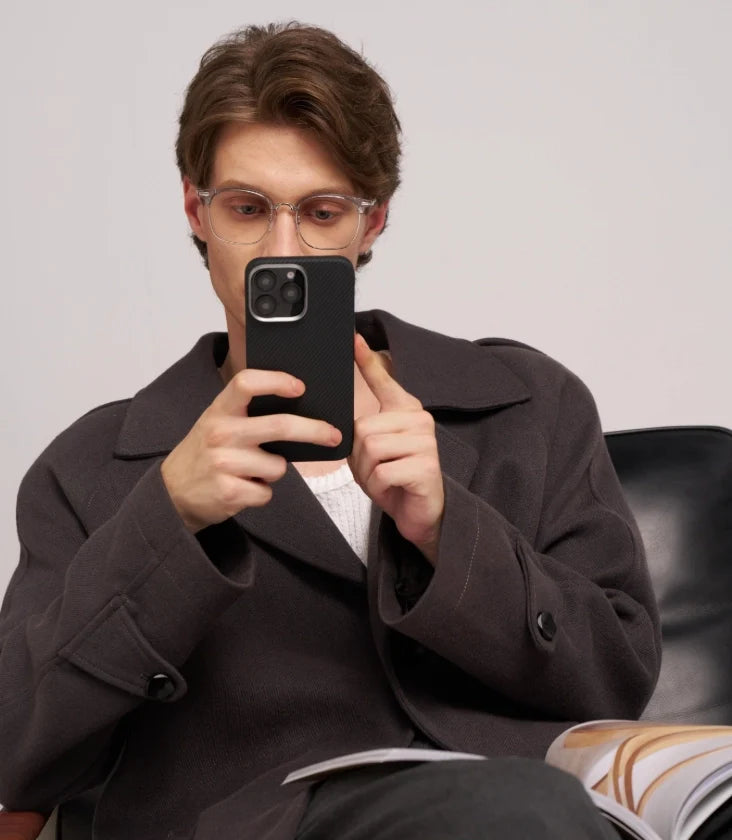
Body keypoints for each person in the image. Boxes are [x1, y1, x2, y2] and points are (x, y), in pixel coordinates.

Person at [0, 21, 661, 840]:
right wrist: (166, 522)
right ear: (197, 211)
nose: (283, 250)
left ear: (371, 223)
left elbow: (616, 683)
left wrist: (451, 532)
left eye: (321, 212)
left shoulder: (529, 407)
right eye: (247, 208)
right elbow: (16, 751)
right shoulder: (94, 467)